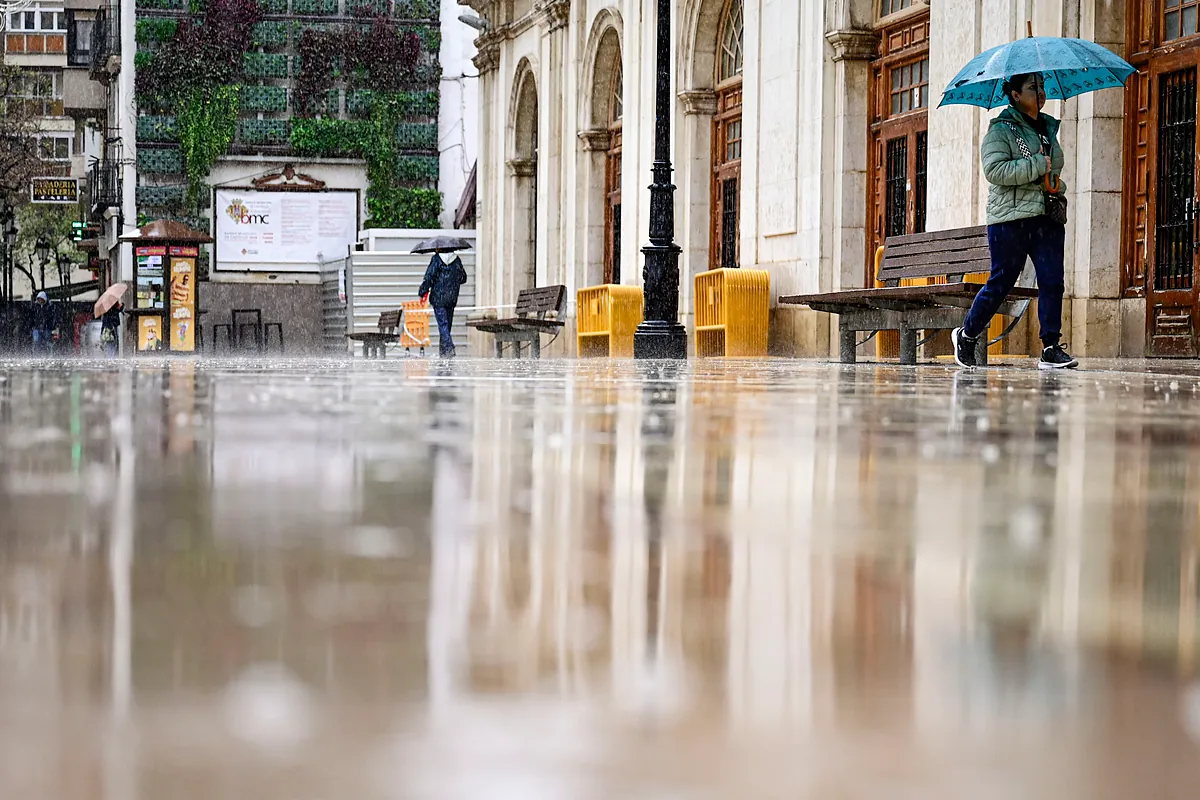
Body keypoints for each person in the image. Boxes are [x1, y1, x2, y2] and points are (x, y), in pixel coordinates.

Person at [952, 72, 1078, 370]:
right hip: (1009, 219)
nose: (1041, 92)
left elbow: (1053, 170)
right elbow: (995, 171)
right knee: (1002, 281)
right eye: (1033, 87)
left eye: (1042, 86)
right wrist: (1036, 165)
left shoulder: (1047, 128)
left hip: (1045, 216)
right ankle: (967, 335)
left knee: (1052, 281)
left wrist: (1056, 186)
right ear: (1015, 95)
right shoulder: (1000, 131)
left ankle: (1050, 347)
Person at [418, 249, 468, 358]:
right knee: (447, 325)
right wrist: (452, 279)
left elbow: (429, 277)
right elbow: (463, 278)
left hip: (438, 297)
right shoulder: (457, 260)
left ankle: (449, 347)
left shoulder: (436, 259)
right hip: (452, 297)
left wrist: (422, 291)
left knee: (443, 324)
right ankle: (444, 352)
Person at [30, 291, 55, 355]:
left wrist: (52, 326)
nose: (40, 301)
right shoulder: (36, 306)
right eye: (39, 299)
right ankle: (37, 354)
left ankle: (46, 354)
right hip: (37, 328)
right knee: (36, 342)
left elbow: (52, 318)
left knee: (46, 342)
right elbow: (32, 317)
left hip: (46, 328)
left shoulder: (49, 306)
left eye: (41, 299)